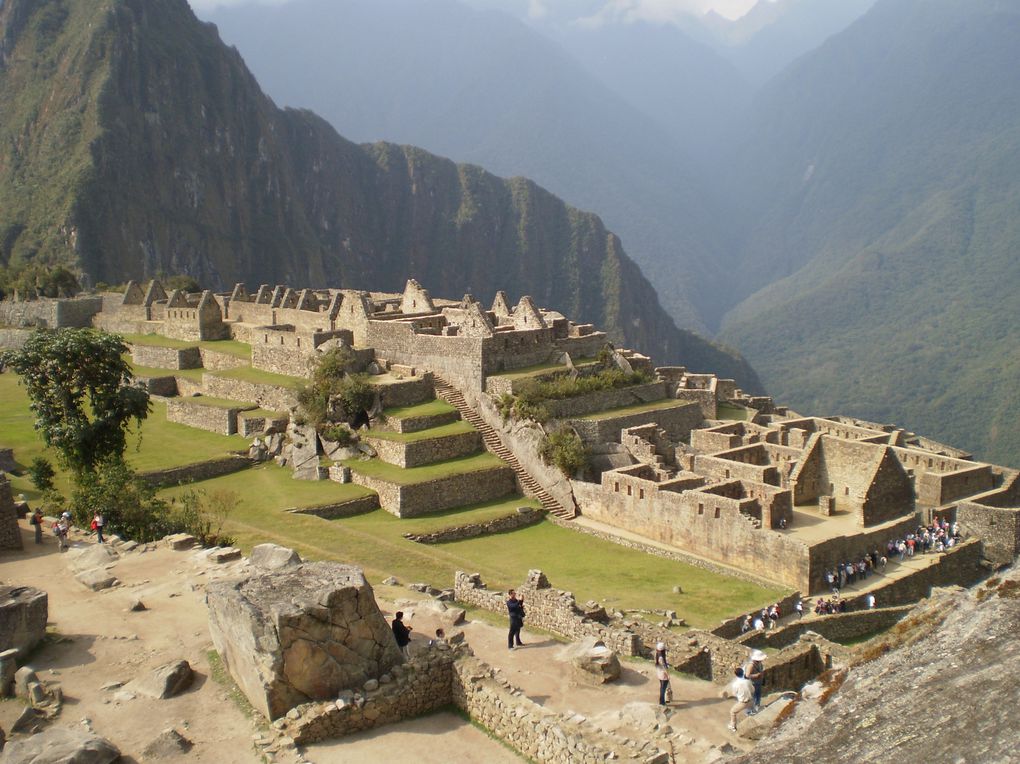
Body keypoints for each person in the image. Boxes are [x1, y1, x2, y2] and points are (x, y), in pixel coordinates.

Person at [724, 667, 754, 732]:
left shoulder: (735, 684)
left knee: (732, 712)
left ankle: (733, 726)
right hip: (751, 701)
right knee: (751, 710)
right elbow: (753, 690)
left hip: (743, 702)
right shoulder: (748, 681)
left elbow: (734, 694)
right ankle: (752, 714)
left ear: (736, 674)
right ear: (743, 672)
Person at [744, 649, 766, 714]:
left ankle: (757, 707)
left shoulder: (759, 664)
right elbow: (747, 675)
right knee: (752, 697)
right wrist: (756, 675)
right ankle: (749, 711)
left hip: (758, 682)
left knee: (758, 695)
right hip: (752, 683)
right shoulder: (751, 665)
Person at [654, 642, 671, 706]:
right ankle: (662, 702)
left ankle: (662, 701)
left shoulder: (656, 654)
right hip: (663, 675)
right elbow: (664, 668)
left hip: (659, 673)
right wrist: (668, 675)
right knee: (663, 688)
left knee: (662, 687)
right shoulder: (661, 657)